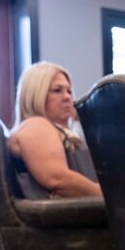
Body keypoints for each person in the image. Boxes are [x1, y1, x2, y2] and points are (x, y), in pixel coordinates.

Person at [8, 62, 102, 198]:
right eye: (57, 90)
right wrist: (110, 196)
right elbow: (57, 179)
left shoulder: (55, 129)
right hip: (68, 215)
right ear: (36, 94)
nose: (67, 97)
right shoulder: (36, 125)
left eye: (69, 91)